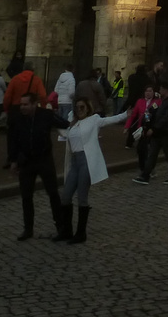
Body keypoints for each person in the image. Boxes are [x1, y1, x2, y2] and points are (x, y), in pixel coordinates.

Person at [59, 96, 128, 242]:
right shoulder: (73, 123)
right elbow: (65, 136)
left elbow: (111, 120)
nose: (80, 110)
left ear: (88, 108)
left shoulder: (94, 119)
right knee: (65, 196)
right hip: (75, 162)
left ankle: (80, 233)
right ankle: (66, 231)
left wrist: (126, 114)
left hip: (86, 161)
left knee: (82, 197)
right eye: (77, 107)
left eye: (82, 107)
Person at [6, 90, 69, 240]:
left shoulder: (45, 115)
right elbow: (13, 140)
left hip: (44, 159)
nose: (22, 107)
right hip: (26, 161)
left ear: (34, 104)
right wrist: (13, 160)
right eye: (21, 104)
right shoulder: (17, 119)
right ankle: (28, 229)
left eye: (26, 104)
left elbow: (63, 123)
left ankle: (60, 226)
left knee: (53, 193)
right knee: (26, 196)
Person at [135, 80, 168, 184]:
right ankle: (145, 175)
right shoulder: (161, 101)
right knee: (152, 154)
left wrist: (153, 128)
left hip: (165, 133)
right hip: (157, 134)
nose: (159, 90)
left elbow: (166, 119)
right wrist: (146, 119)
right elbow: (152, 112)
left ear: (166, 90)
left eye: (161, 89)